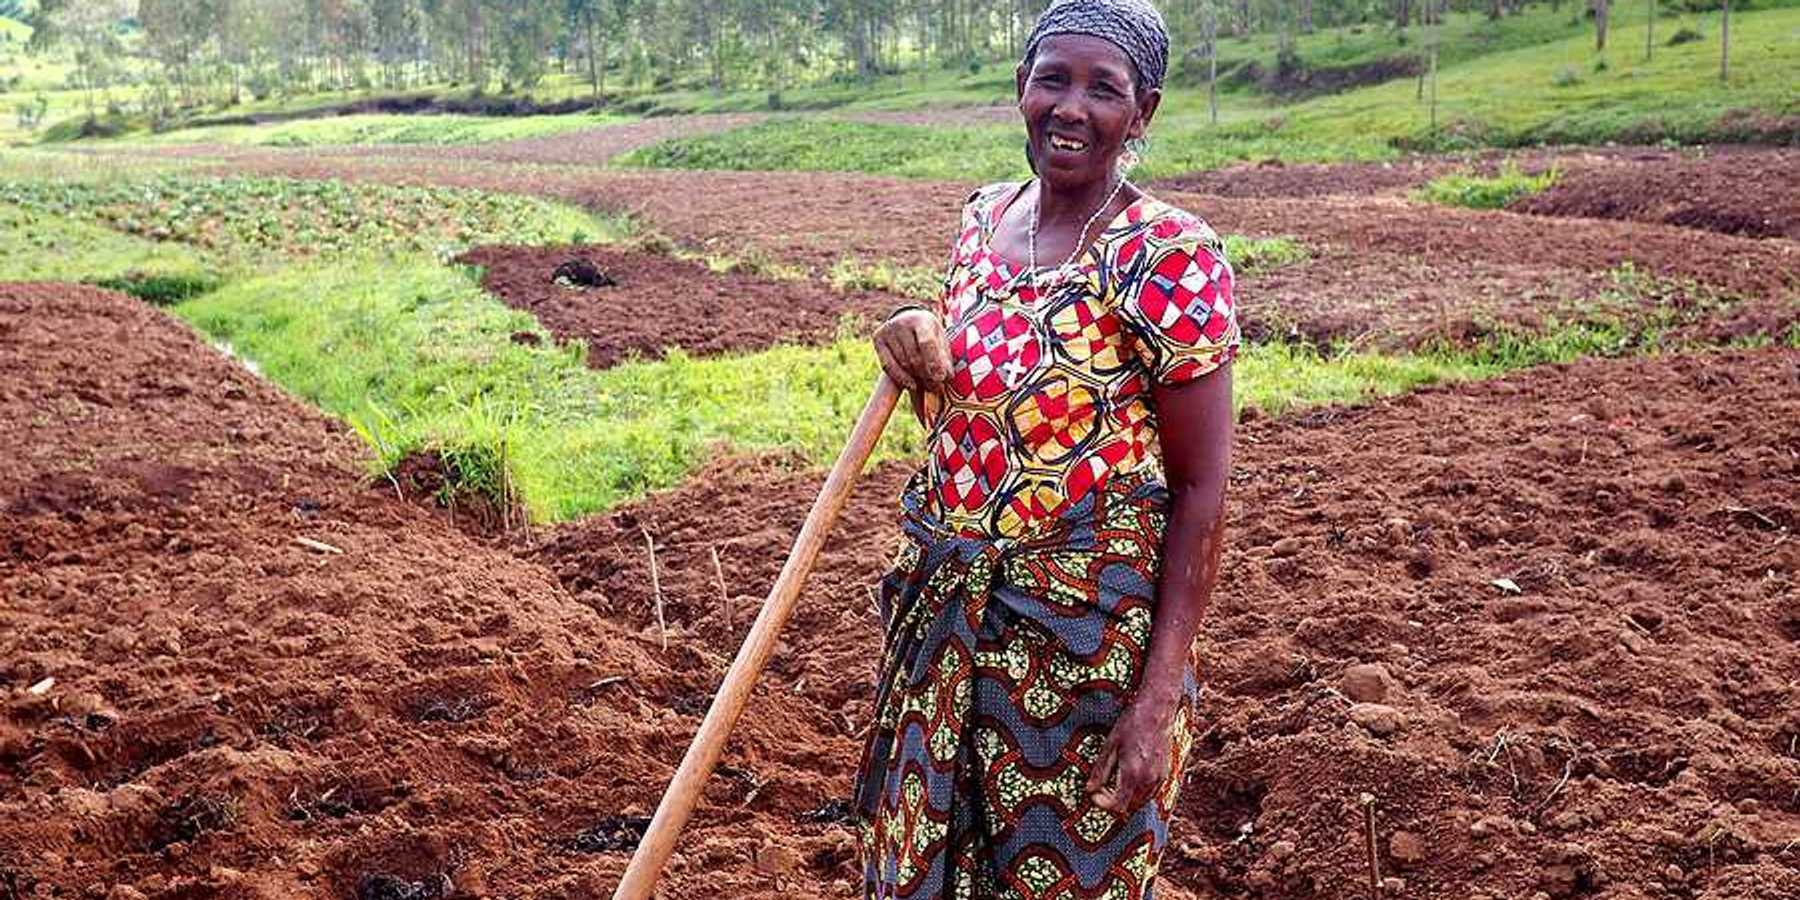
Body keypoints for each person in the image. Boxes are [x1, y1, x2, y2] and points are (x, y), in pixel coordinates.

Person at [854, 0, 1239, 896]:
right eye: (1051, 79)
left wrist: (1153, 706)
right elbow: (966, 418)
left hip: (1081, 651)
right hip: (950, 626)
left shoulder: (1168, 253)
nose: (1071, 106)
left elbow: (1202, 489)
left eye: (1102, 90)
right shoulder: (983, 221)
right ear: (1018, 89)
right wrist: (913, 333)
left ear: (1140, 112)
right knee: (924, 870)